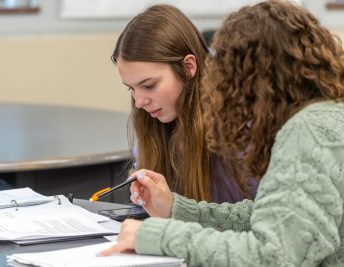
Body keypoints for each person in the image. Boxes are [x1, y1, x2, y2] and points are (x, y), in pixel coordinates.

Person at [102, 0, 344, 266]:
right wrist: (178, 209)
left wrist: (159, 235)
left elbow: (274, 255)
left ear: (258, 79)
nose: (220, 87)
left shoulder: (309, 129)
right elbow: (267, 215)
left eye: (228, 75)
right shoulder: (319, 118)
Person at [112, 4, 257, 203]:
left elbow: (258, 221)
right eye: (132, 88)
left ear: (188, 67)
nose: (139, 102)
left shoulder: (243, 126)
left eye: (149, 85)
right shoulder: (155, 120)